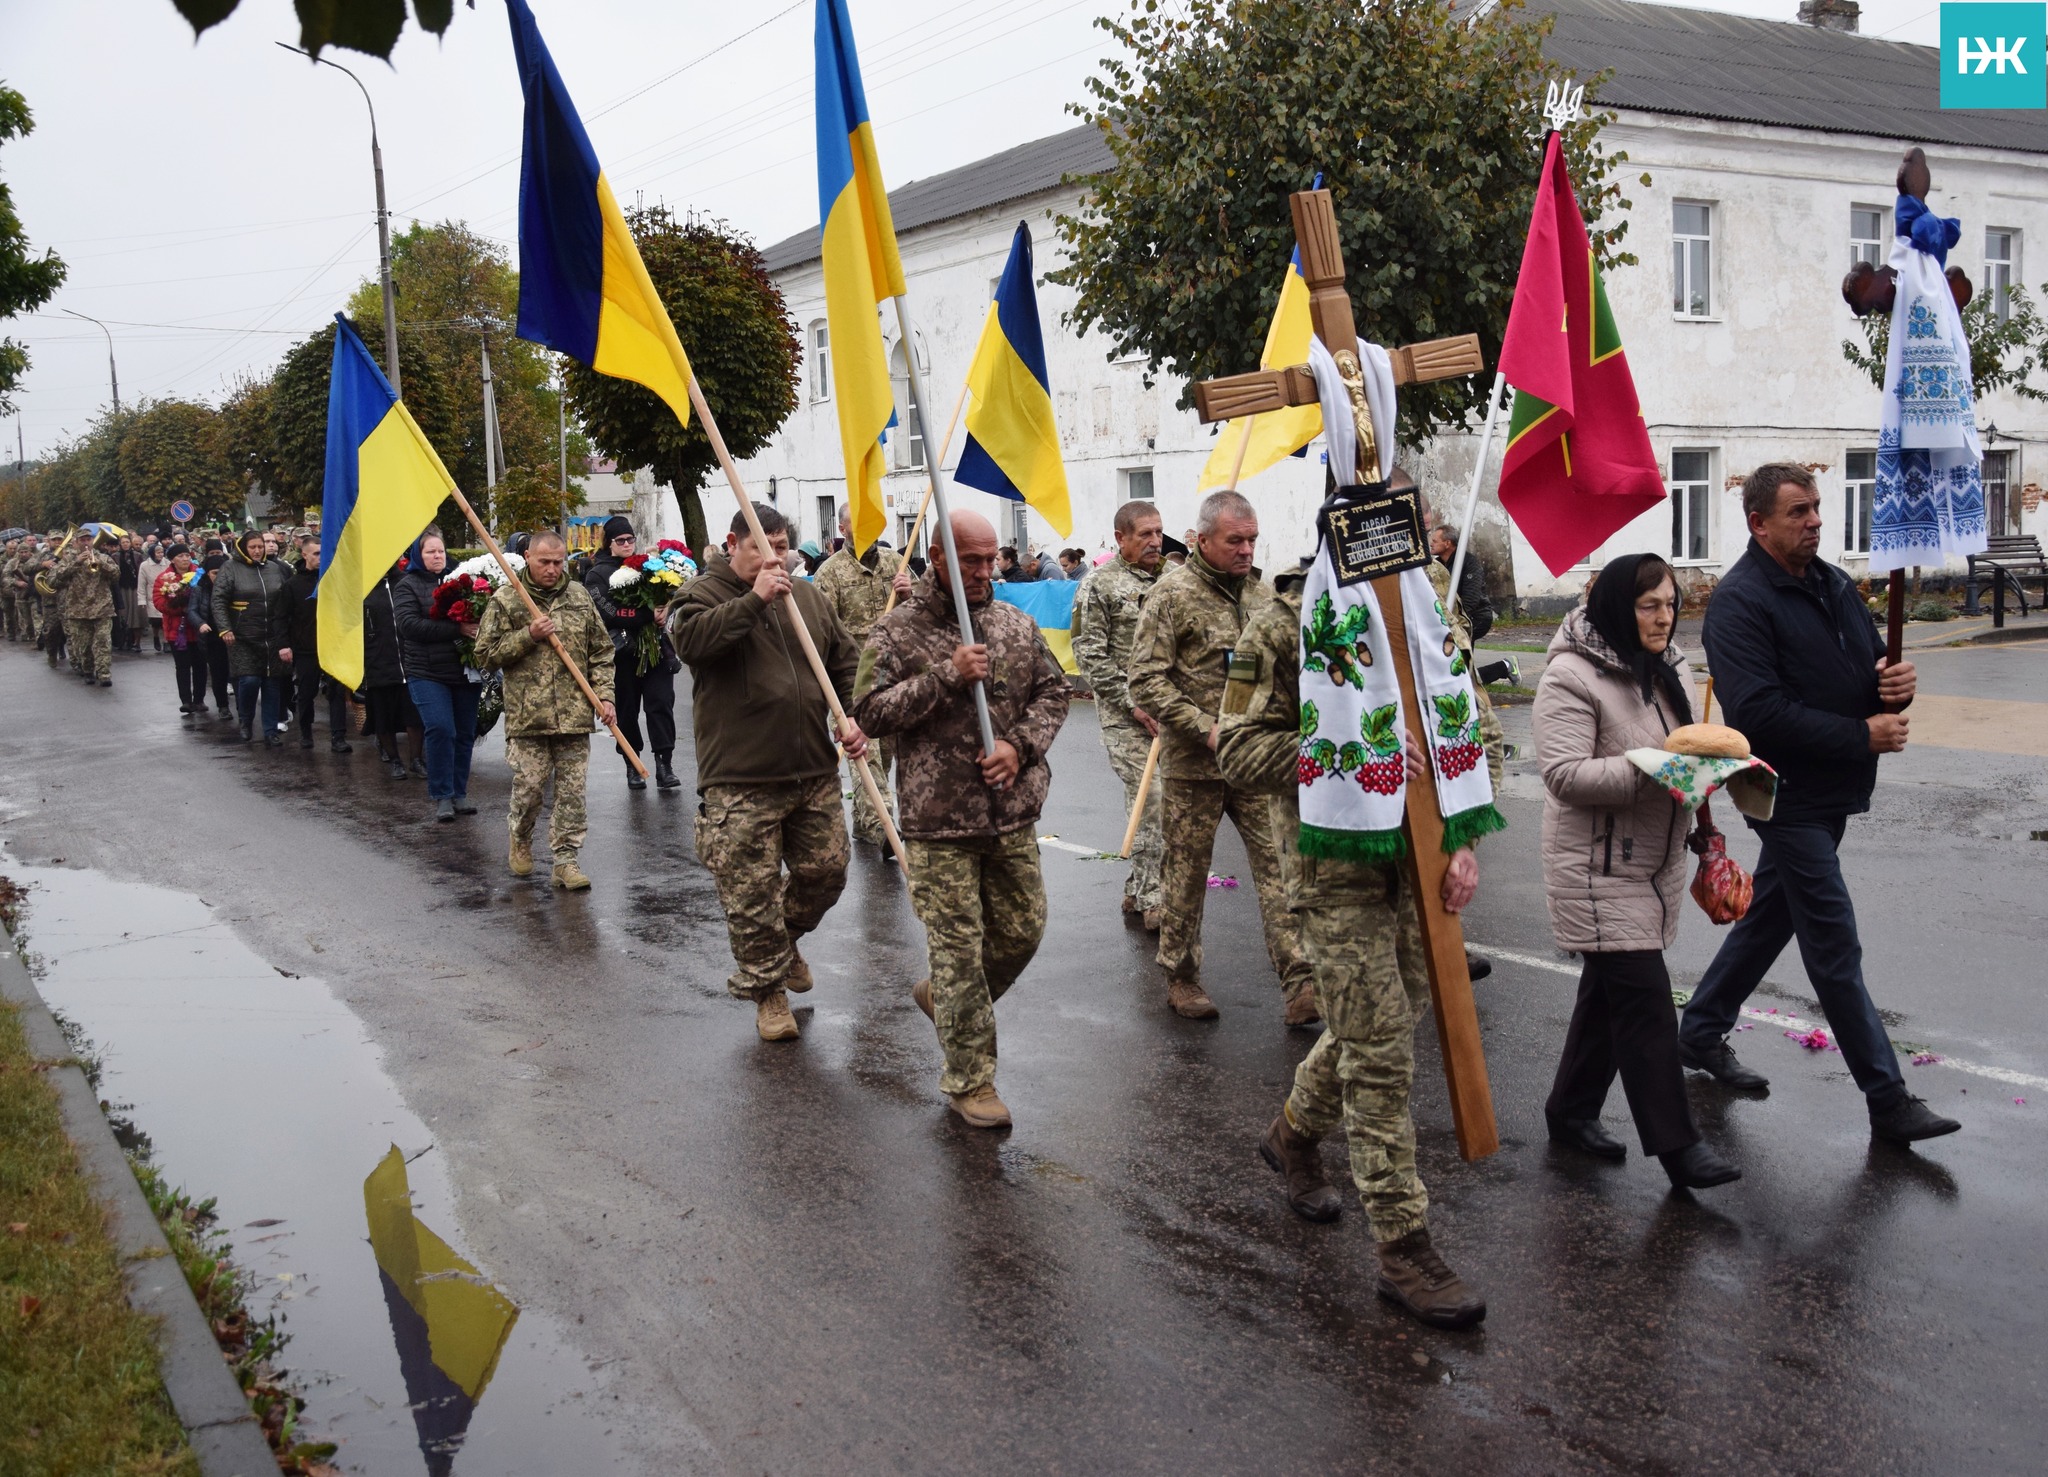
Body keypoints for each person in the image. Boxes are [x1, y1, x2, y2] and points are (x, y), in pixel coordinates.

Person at [1217, 561, 1488, 1330]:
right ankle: (1405, 1247)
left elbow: (1473, 727)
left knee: (1379, 1027)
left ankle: (1292, 1134)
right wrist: (1346, 746)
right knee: (1380, 1051)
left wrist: (1465, 836)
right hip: (1331, 864)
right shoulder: (1286, 623)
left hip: (1420, 859)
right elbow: (1234, 749)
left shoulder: (1426, 609)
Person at [1677, 464, 1959, 1145]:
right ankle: (1887, 1099)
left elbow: (1867, 675)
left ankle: (1701, 1026)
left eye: (1817, 508)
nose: (1815, 521)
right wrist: (1862, 733)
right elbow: (1760, 714)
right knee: (1833, 940)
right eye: (1799, 511)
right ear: (1758, 523)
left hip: (1834, 788)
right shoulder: (1740, 603)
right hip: (1785, 795)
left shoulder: (1830, 583)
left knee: (1773, 913)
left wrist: (1896, 686)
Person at [854, 510, 1070, 1127]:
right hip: (938, 821)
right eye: (969, 561)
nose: (984, 571)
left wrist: (1018, 747)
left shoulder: (1013, 623)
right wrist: (947, 676)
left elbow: (1055, 693)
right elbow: (867, 712)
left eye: (989, 558)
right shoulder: (894, 632)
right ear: (938, 560)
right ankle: (970, 1080)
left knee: (1023, 931)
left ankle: (947, 1000)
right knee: (958, 950)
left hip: (1011, 811)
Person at [1533, 553, 1740, 1190]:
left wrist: (1711, 773)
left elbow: (1687, 751)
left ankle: (1570, 1112)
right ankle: (1679, 1150)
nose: (1663, 616)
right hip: (1597, 867)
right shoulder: (1570, 676)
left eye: (1671, 604)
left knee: (1607, 996)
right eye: (1649, 605)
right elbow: (1562, 775)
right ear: (1618, 607)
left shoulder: (1667, 668)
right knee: (1646, 1001)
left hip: (1653, 860)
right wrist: (1654, 769)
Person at [671, 504, 865, 1041]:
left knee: (827, 872)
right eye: (763, 546)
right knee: (750, 895)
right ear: (733, 544)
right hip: (740, 777)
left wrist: (854, 717)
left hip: (811, 770)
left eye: (781, 546)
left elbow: (844, 661)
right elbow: (692, 644)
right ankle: (769, 994)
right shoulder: (700, 596)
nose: (776, 557)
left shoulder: (808, 597)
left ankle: (783, 944)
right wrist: (755, 600)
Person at [1129, 488, 1317, 1026]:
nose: (1246, 550)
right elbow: (1145, 679)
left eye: (1253, 539)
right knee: (1186, 874)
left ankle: (1300, 981)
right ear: (1203, 539)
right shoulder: (1172, 595)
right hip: (1196, 763)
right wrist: (1203, 728)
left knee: (1282, 869)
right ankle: (1182, 976)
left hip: (1255, 762)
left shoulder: (1263, 598)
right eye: (1235, 540)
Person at [474, 530, 615, 890]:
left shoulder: (579, 598)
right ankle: (520, 836)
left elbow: (601, 651)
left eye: (558, 562)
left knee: (571, 794)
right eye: (544, 562)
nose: (553, 569)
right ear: (528, 559)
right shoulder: (507, 600)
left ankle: (565, 860)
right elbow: (485, 655)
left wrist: (606, 696)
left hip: (573, 715)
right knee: (530, 788)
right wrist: (528, 635)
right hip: (528, 718)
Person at [1071, 499, 1167, 929]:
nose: (1154, 541)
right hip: (1124, 714)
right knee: (1152, 797)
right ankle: (1153, 898)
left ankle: (1136, 887)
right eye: (1144, 534)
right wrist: (1132, 702)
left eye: (1158, 532)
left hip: (1172, 714)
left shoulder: (1175, 580)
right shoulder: (1099, 586)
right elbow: (1089, 654)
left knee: (1172, 802)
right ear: (1121, 539)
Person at [812, 503, 912, 848]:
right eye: (860, 522)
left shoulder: (894, 566)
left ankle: (865, 823)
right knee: (866, 757)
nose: (869, 527)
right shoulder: (830, 574)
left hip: (894, 677)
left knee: (888, 755)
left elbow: (924, 615)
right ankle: (884, 829)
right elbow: (822, 632)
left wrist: (910, 595)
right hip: (853, 682)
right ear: (843, 530)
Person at [583, 515, 681, 792]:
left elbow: (666, 597)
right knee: (626, 711)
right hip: (622, 654)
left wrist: (665, 608)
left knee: (661, 704)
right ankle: (632, 763)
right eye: (620, 540)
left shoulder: (647, 568)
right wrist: (646, 615)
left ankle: (665, 764)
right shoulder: (596, 574)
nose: (627, 544)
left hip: (655, 651)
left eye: (630, 539)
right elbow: (607, 613)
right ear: (609, 543)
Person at [392, 527, 482, 821]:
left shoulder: (461, 580)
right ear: (418, 555)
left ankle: (459, 792)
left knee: (465, 732)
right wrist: (456, 629)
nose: (437, 556)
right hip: (426, 672)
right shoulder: (407, 585)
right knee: (442, 729)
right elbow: (409, 626)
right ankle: (442, 795)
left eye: (440, 550)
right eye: (430, 551)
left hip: (463, 671)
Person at [209, 530, 291, 743]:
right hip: (243, 637)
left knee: (272, 683)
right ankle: (246, 720)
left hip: (272, 636)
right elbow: (218, 600)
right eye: (253, 547)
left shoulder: (274, 569)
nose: (257, 551)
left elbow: (285, 599)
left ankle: (270, 730)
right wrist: (225, 628)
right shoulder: (230, 568)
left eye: (260, 547)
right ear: (243, 548)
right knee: (250, 681)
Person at [278, 535, 351, 752]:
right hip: (306, 648)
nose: (321, 557)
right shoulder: (292, 585)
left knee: (337, 692)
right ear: (305, 554)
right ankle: (306, 731)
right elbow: (281, 617)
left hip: (334, 646)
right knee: (307, 693)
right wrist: (284, 644)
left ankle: (338, 736)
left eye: (324, 553)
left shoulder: (335, 580)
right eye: (317, 553)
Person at [362, 559, 424, 780]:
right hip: (376, 661)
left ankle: (416, 760)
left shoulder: (406, 582)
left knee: (414, 715)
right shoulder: (363, 586)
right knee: (382, 716)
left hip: (410, 661)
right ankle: (395, 761)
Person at [53, 533, 121, 687]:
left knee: (103, 641)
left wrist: (101, 564)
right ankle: (88, 670)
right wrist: (76, 563)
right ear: (76, 543)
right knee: (84, 644)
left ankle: (104, 673)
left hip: (102, 607)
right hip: (79, 609)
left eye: (88, 540)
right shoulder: (69, 559)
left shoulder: (103, 557)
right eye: (82, 540)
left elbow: (117, 575)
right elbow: (57, 577)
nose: (86, 543)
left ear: (93, 541)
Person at [153, 546, 201, 714]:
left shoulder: (199, 574)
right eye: (181, 556)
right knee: (182, 666)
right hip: (177, 630)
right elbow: (159, 602)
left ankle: (199, 699)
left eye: (187, 555)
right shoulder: (165, 578)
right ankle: (186, 701)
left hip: (198, 628)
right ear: (172, 559)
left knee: (200, 665)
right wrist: (178, 606)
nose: (185, 559)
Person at [188, 545, 233, 717]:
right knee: (218, 672)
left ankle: (243, 709)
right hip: (212, 637)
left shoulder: (233, 587)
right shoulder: (200, 589)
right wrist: (200, 623)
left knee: (237, 674)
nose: (218, 576)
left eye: (222, 572)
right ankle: (223, 706)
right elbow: (192, 610)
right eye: (214, 573)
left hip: (233, 634)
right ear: (207, 573)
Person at [137, 540, 170, 653]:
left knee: (165, 620)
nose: (160, 554)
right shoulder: (144, 566)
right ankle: (156, 637)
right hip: (152, 597)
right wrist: (142, 601)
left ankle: (166, 642)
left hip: (166, 595)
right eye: (158, 552)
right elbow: (141, 584)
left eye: (162, 552)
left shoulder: (168, 563)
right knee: (156, 622)